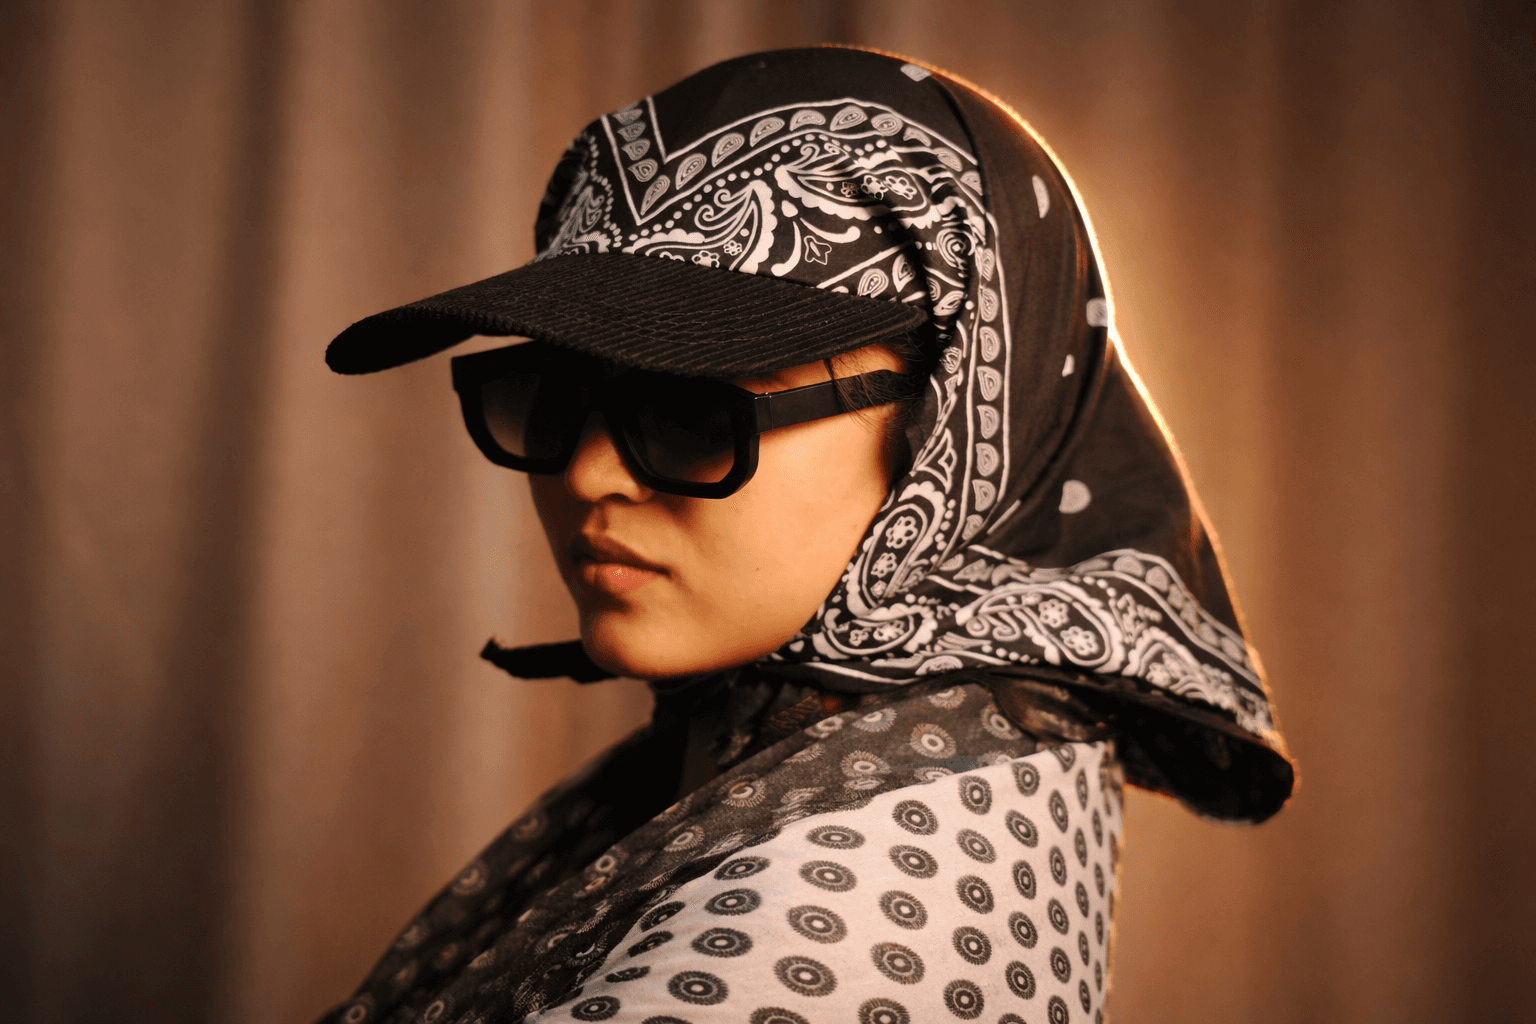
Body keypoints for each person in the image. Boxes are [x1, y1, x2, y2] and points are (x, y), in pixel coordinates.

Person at [321, 46, 1293, 1024]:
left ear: (948, 427)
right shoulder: (927, 730)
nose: (586, 474)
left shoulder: (849, 929)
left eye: (692, 408)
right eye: (550, 395)